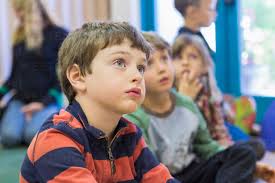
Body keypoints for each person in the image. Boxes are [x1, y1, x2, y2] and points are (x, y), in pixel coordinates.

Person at [20, 22, 179, 183]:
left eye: (141, 67)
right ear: (77, 77)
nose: (137, 76)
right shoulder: (55, 139)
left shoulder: (130, 134)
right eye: (120, 63)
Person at [124, 32, 257, 183]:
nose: (162, 68)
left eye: (165, 58)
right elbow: (147, 169)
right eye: (149, 64)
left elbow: (206, 146)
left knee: (245, 153)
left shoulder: (186, 104)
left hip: (194, 170)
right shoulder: (133, 116)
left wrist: (234, 160)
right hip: (163, 178)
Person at [0, 0, 68, 147]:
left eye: (19, 11)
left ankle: (53, 118)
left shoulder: (59, 35)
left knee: (32, 136)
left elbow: (64, 78)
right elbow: (13, 77)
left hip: (46, 101)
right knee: (8, 138)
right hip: (20, 101)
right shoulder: (19, 38)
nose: (16, 15)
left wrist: (42, 104)